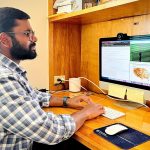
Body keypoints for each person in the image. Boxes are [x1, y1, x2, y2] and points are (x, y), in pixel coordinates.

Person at [0, 7, 105, 150]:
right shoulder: (3, 79)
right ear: (4, 40)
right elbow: (49, 130)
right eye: (27, 33)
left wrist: (66, 101)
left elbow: (32, 95)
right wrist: (86, 112)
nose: (34, 38)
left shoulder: (10, 71)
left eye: (33, 33)